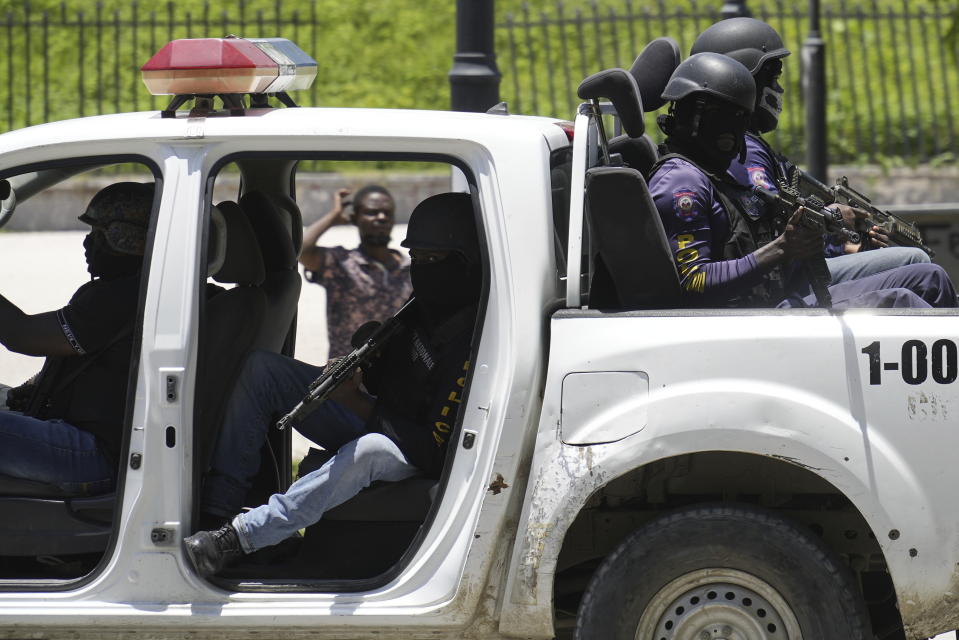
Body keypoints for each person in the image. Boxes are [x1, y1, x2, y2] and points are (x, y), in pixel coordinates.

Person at [184, 192, 481, 577]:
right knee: (263, 369)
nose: (421, 269)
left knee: (369, 451)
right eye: (417, 258)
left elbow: (432, 450)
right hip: (382, 414)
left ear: (466, 262)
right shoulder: (428, 305)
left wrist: (356, 402)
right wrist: (368, 357)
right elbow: (396, 376)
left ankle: (238, 538)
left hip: (413, 449)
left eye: (433, 260)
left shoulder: (471, 334)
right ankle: (217, 512)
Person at [647, 52, 956, 309]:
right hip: (754, 317)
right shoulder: (682, 185)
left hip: (775, 294)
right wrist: (782, 249)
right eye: (734, 118)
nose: (740, 134)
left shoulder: (714, 172)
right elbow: (692, 283)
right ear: (704, 118)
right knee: (902, 302)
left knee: (930, 279)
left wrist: (823, 238)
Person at [689, 17, 931, 285]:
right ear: (745, 81)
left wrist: (849, 245)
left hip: (793, 269)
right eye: (773, 78)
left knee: (913, 262)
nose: (779, 89)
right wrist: (836, 221)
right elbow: (775, 228)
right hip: (782, 280)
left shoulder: (747, 147)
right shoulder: (747, 151)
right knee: (916, 261)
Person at [0, 182, 153, 494]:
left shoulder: (120, 299)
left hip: (93, 454)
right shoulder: (130, 290)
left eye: (98, 233)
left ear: (126, 239)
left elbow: (21, 335)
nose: (87, 243)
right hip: (87, 438)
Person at [298, 185, 413, 357]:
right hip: (347, 375)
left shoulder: (409, 268)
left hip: (395, 372)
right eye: (371, 212)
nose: (381, 217)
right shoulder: (341, 263)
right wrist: (334, 217)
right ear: (355, 218)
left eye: (387, 213)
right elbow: (302, 250)